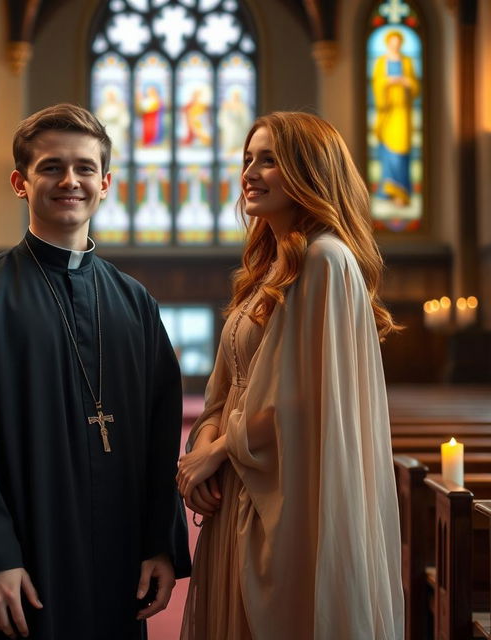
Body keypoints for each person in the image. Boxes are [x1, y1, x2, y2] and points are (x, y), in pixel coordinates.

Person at [0, 103, 191, 640]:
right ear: (21, 182)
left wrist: (160, 542)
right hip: (21, 572)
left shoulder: (135, 303)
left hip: (119, 568)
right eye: (51, 167)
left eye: (85, 168)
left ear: (106, 183)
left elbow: (162, 435)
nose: (71, 181)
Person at [176, 111, 404, 639]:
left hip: (286, 493)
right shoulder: (267, 267)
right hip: (240, 483)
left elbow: (304, 400)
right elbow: (228, 381)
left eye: (269, 160)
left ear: (309, 170)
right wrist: (206, 438)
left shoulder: (326, 260)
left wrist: (217, 450)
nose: (250, 172)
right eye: (247, 159)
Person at [372, 30, 419, 207]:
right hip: (386, 112)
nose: (395, 45)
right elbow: (376, 85)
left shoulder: (407, 62)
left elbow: (415, 87)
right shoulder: (380, 62)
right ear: (387, 43)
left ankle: (402, 192)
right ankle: (387, 191)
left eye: (397, 42)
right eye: (392, 42)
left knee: (401, 150)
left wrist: (406, 82)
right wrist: (387, 82)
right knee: (387, 151)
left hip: (402, 113)